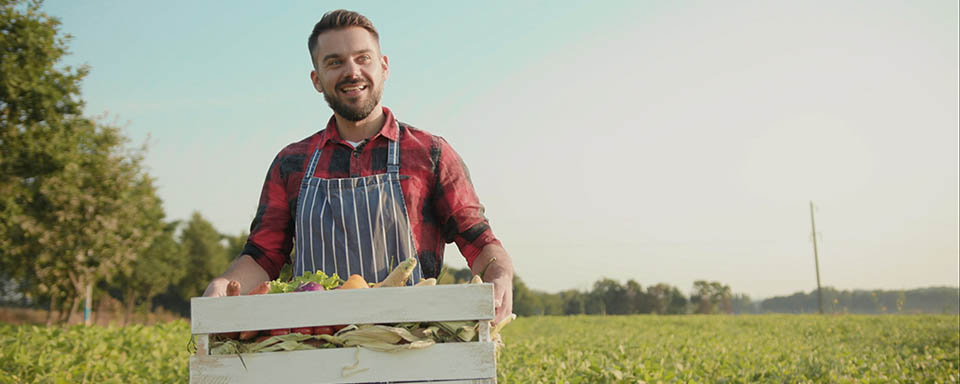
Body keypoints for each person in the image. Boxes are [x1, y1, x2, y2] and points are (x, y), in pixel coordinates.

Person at [202, 9, 514, 324]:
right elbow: (263, 255)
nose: (352, 72)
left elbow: (478, 241)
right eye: (334, 62)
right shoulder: (291, 162)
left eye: (363, 58)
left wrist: (500, 276)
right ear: (317, 79)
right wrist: (223, 285)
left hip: (412, 341)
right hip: (313, 346)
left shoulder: (430, 154)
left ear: (384, 66)